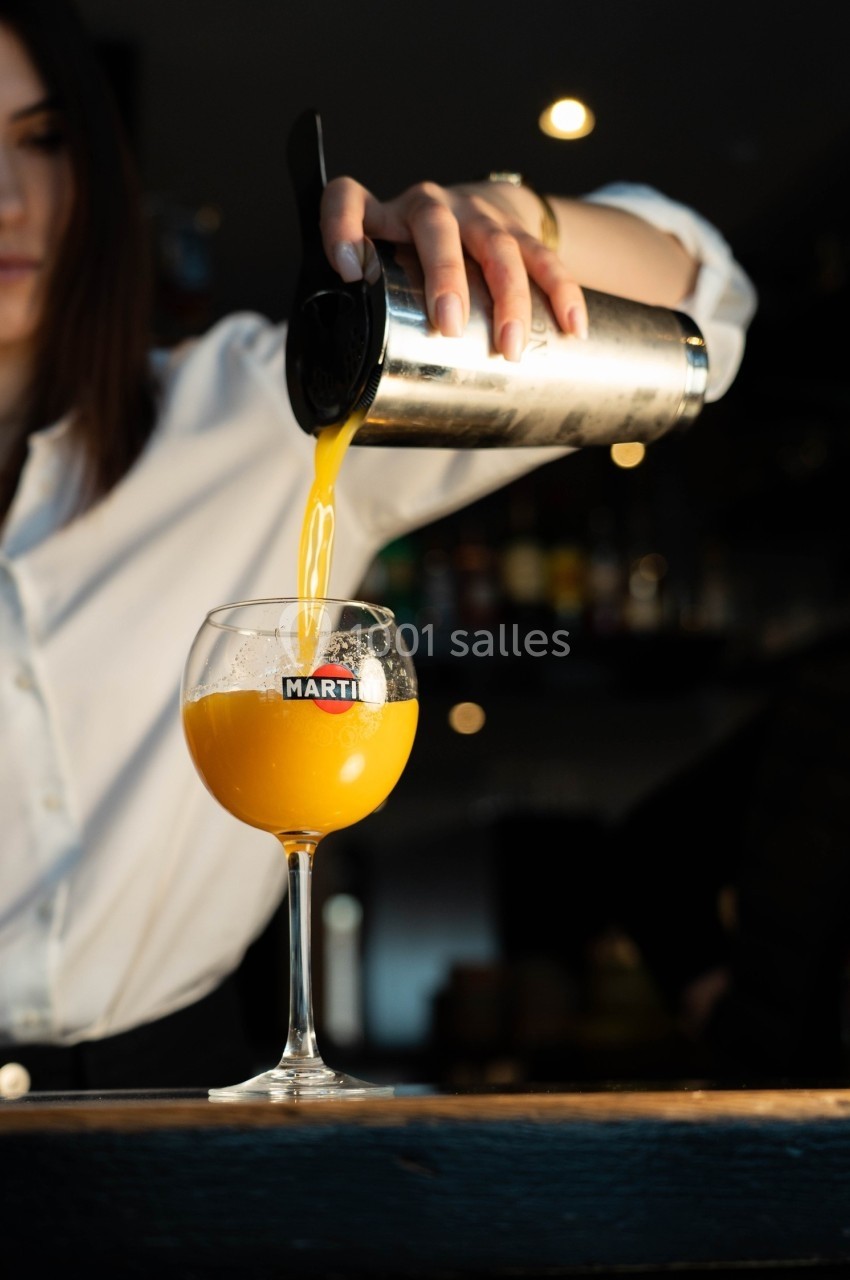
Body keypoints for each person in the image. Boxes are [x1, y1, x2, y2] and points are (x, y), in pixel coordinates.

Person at [0, 0, 756, 1094]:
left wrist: (518, 220)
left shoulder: (264, 408)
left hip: (179, 1106)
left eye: (43, 140)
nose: (10, 201)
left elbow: (708, 315)